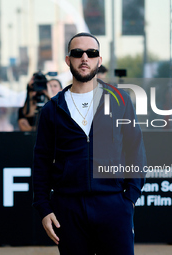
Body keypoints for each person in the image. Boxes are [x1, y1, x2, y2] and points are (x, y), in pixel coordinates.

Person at [33, 32, 146, 255]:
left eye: (91, 53)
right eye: (77, 53)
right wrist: (44, 208)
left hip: (114, 204)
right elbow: (41, 161)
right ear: (68, 60)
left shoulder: (120, 101)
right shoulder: (52, 109)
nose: (85, 57)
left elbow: (136, 149)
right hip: (69, 208)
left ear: (99, 60)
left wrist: (130, 198)